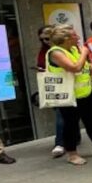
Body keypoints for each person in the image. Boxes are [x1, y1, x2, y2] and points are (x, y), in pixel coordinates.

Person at [45, 25, 92, 166]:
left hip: (86, 93)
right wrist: (84, 53)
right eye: (75, 35)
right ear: (66, 39)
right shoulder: (55, 53)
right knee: (71, 125)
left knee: (91, 122)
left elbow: (82, 67)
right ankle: (72, 154)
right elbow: (74, 67)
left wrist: (90, 66)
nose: (78, 38)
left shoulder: (74, 49)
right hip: (68, 96)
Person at [37, 25, 69, 158]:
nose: (46, 41)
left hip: (70, 84)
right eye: (43, 39)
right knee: (61, 115)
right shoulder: (44, 51)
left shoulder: (62, 49)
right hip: (56, 86)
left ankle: (69, 139)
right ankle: (60, 143)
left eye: (48, 38)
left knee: (69, 115)